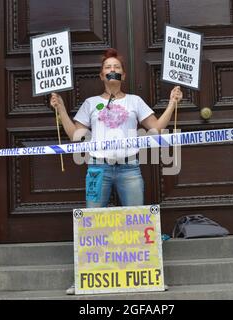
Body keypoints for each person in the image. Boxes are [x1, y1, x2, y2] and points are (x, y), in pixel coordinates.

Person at [50, 48, 182, 294]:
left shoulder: (134, 101)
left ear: (123, 75)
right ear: (102, 75)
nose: (113, 71)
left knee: (137, 222)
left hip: (129, 168)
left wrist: (173, 104)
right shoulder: (91, 103)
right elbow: (75, 135)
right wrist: (60, 110)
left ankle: (148, 275)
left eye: (117, 68)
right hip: (98, 168)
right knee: (92, 225)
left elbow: (155, 130)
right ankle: (83, 278)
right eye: (108, 68)